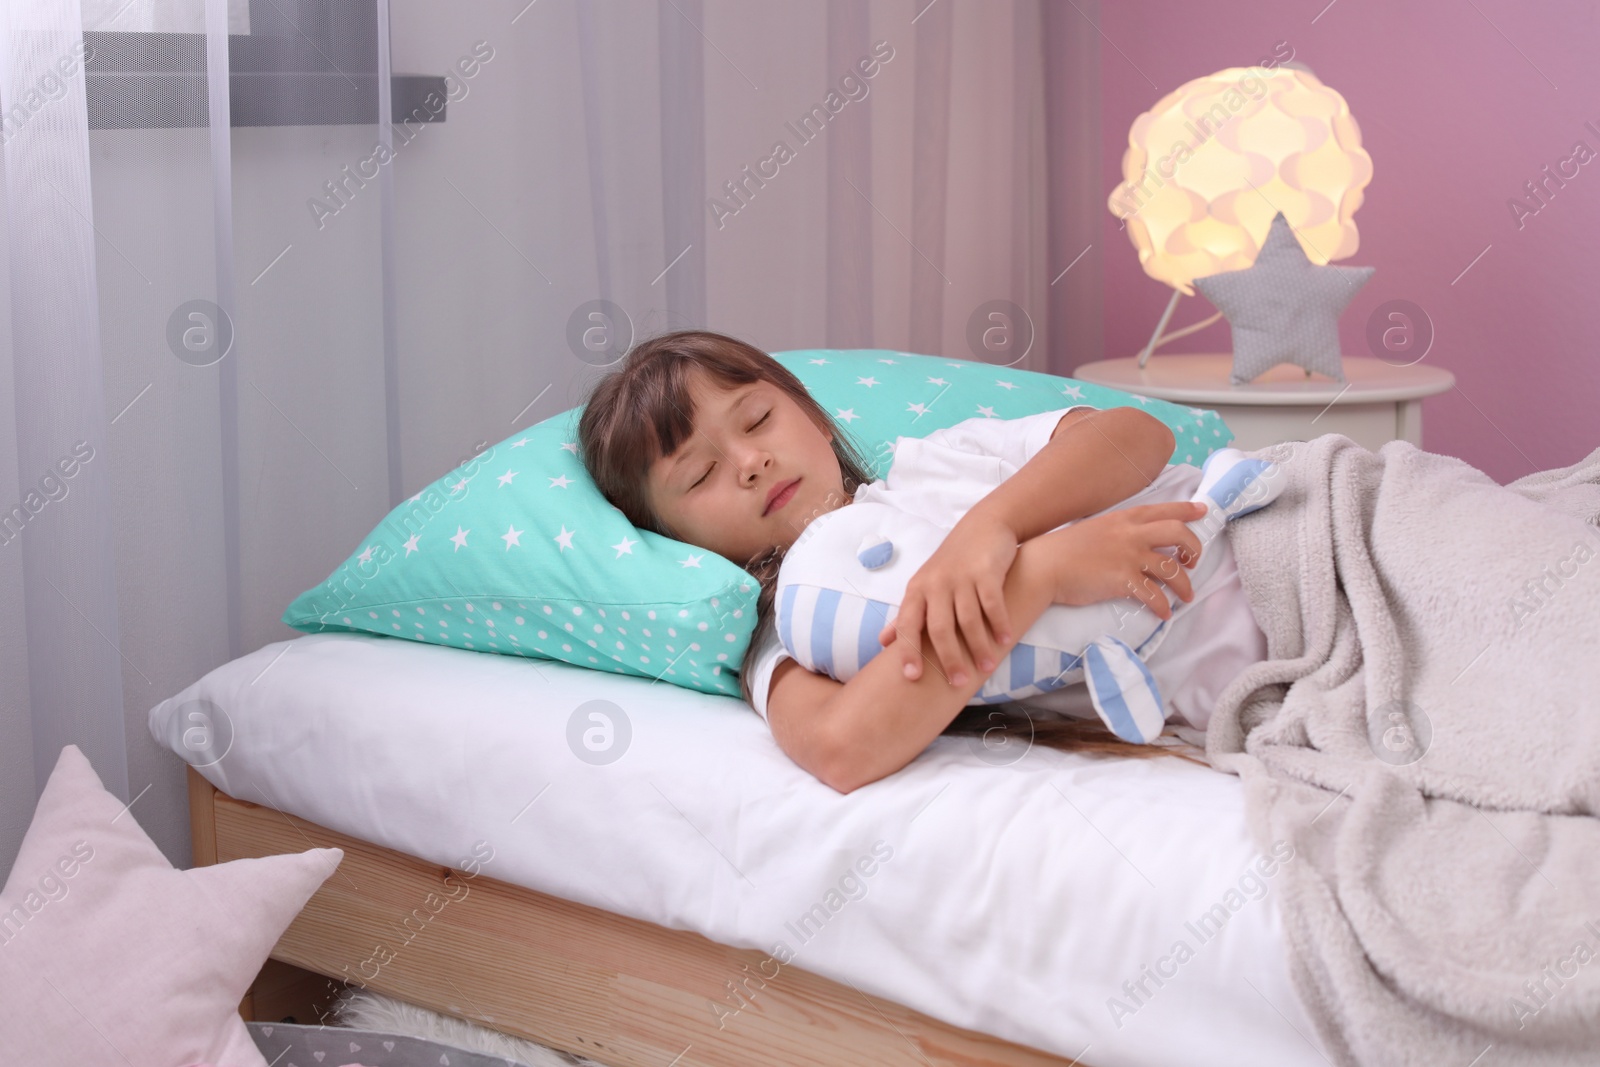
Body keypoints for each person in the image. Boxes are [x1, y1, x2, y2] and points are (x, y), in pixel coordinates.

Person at [578, 329, 1271, 792]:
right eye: (700, 475)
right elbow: (839, 748)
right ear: (674, 540)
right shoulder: (786, 631)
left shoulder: (933, 465)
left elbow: (1136, 437)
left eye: (758, 420)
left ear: (814, 417)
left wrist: (990, 528)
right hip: (1275, 657)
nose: (751, 462)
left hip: (1282, 532)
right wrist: (1041, 571)